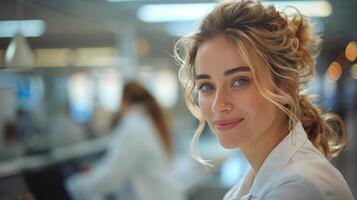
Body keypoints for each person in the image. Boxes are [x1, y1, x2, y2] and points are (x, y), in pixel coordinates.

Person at [174, 0, 354, 199]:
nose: (218, 104)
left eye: (239, 81)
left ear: (287, 86)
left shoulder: (299, 188)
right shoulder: (256, 179)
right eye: (206, 86)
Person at [65, 81, 184, 200]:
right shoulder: (144, 121)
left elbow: (110, 178)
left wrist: (74, 185)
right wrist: (95, 171)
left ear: (124, 101)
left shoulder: (134, 126)